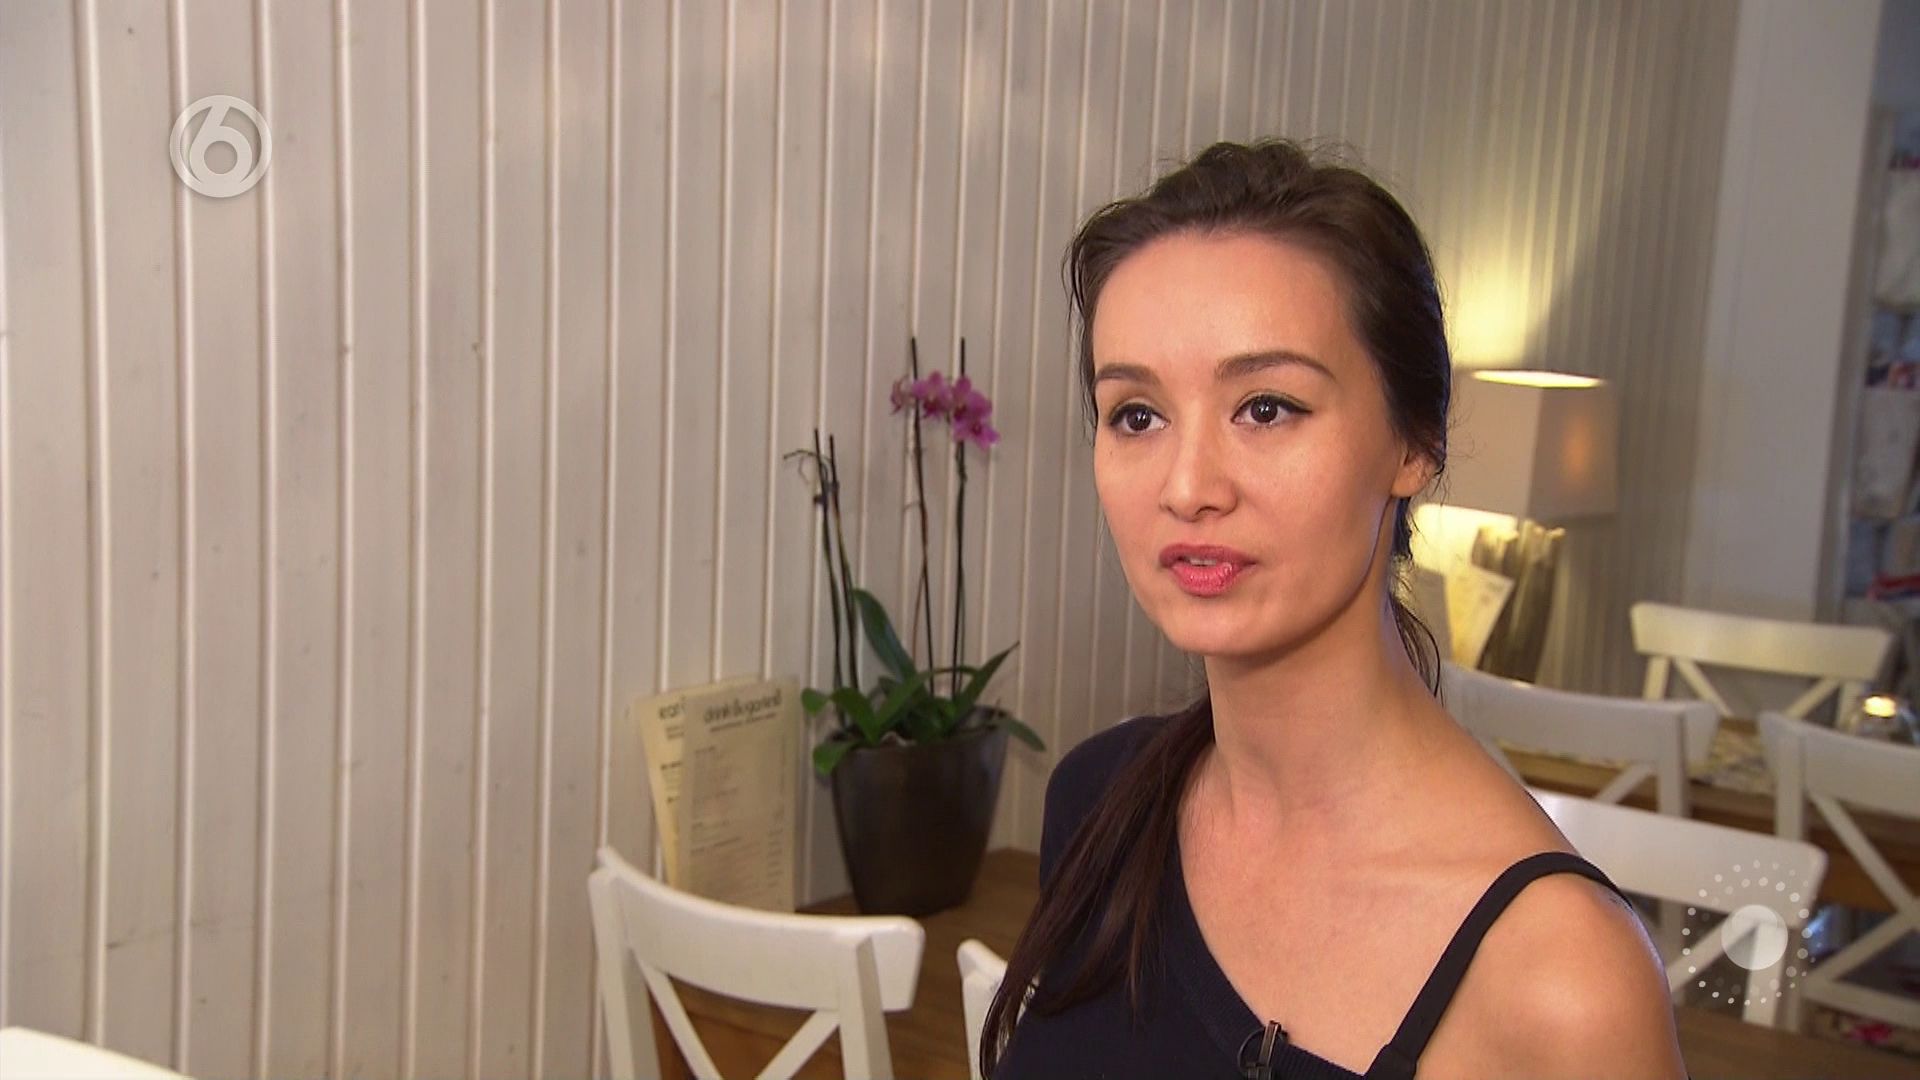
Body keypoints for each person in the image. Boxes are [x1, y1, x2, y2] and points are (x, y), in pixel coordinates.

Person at [981, 140, 1685, 1079]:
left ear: (1415, 443)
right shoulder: (1101, 805)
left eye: (1267, 408)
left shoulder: (1563, 982)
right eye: (1137, 415)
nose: (1188, 487)